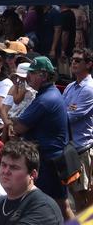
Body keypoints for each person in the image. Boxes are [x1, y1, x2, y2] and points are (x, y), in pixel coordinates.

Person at [10, 56, 71, 214]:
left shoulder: (46, 99)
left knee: (60, 207)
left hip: (49, 163)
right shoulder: (48, 94)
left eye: (32, 73)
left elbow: (19, 127)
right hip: (48, 160)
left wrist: (12, 122)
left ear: (43, 75)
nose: (28, 76)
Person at [0, 139, 63, 225]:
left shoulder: (44, 208)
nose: (6, 171)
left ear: (32, 174)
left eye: (14, 167)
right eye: (4, 165)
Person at [61, 47, 93, 210]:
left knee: (84, 198)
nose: (73, 62)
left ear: (88, 64)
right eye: (72, 59)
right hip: (70, 148)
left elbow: (69, 117)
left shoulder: (89, 89)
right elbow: (61, 111)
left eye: (78, 60)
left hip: (81, 149)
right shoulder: (71, 86)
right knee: (74, 195)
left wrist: (60, 113)